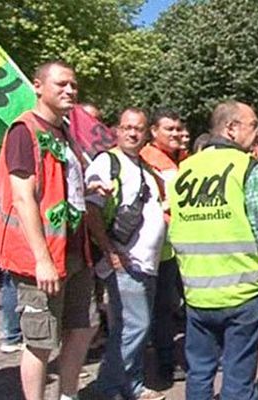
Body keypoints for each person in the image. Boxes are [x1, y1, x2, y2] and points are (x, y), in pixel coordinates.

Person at [0, 61, 99, 400]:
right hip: (43, 259)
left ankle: (68, 395)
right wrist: (42, 260)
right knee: (40, 341)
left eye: (73, 85)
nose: (70, 90)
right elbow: (23, 199)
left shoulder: (65, 132)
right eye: (61, 84)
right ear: (38, 86)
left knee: (83, 327)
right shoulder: (25, 131)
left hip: (76, 253)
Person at [168, 100, 258, 400]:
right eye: (253, 124)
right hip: (243, 293)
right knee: (238, 377)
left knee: (199, 372)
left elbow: (176, 228)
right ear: (231, 128)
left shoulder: (186, 169)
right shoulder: (246, 167)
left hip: (198, 293)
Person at [85, 108, 167, 400]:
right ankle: (109, 387)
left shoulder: (144, 166)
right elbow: (91, 210)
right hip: (125, 260)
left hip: (146, 262)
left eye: (139, 128)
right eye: (127, 127)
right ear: (116, 131)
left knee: (130, 327)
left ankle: (131, 385)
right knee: (136, 325)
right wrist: (110, 251)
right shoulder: (108, 162)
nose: (133, 133)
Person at [140, 109, 187, 383]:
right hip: (153, 246)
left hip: (177, 246)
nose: (176, 134)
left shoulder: (182, 159)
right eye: (169, 129)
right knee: (156, 309)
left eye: (178, 129)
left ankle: (170, 360)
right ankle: (161, 363)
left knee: (171, 307)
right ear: (154, 132)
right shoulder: (147, 159)